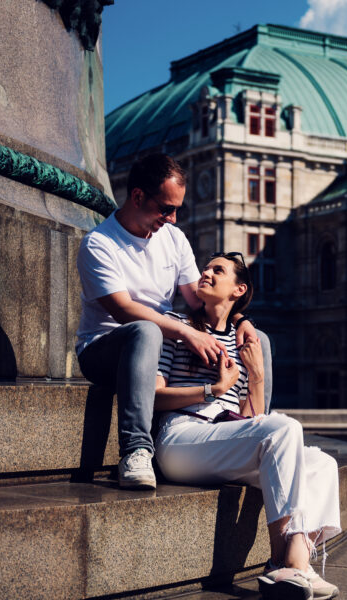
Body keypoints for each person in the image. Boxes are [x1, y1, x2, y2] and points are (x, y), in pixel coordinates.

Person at [152, 252, 341, 600]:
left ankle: (296, 565)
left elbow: (251, 420)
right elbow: (154, 397)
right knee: (286, 428)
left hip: (224, 436)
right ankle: (281, 562)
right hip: (180, 437)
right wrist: (213, 390)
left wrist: (256, 376)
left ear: (238, 289)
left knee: (321, 464)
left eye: (216, 270)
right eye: (205, 268)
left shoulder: (243, 342)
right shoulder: (176, 327)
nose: (205, 273)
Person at [75, 154, 255, 489]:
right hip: (104, 349)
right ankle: (136, 450)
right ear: (138, 196)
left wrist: (241, 319)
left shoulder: (172, 238)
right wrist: (187, 333)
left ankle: (252, 426)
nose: (172, 219)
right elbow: (124, 311)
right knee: (144, 331)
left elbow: (195, 299)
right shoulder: (98, 244)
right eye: (165, 208)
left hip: (163, 344)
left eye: (176, 210)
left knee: (258, 340)